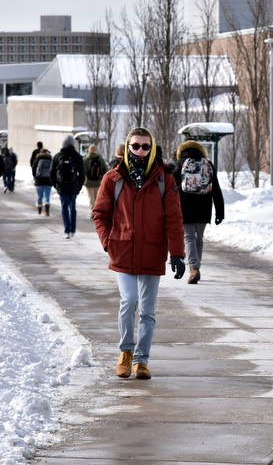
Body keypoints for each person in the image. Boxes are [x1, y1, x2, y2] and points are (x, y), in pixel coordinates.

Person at [92, 127, 185, 380]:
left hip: (153, 252)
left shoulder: (166, 179)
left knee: (147, 310)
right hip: (122, 250)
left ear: (152, 147)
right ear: (128, 147)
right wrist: (107, 242)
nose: (141, 151)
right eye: (136, 146)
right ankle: (125, 352)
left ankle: (142, 361)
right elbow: (100, 214)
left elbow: (175, 219)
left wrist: (177, 253)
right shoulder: (113, 177)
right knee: (129, 301)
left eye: (146, 146)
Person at [171, 140, 225, 284]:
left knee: (188, 237)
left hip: (184, 207)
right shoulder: (208, 164)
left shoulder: (180, 163)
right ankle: (196, 267)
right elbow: (216, 190)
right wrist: (220, 212)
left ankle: (194, 268)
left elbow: (171, 186)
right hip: (204, 208)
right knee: (199, 238)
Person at [50, 135, 85, 239]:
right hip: (74, 186)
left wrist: (56, 186)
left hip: (62, 187)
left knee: (64, 207)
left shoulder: (57, 156)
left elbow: (51, 173)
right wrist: (79, 186)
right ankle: (73, 229)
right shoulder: (77, 156)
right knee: (72, 207)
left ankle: (67, 230)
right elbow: (82, 174)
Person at [83, 144, 108, 218]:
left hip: (88, 182)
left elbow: (82, 170)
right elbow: (105, 169)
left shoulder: (86, 159)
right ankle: (96, 210)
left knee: (91, 197)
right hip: (97, 181)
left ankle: (93, 211)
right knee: (96, 196)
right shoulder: (100, 158)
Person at [32, 148, 53, 215]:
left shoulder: (37, 159)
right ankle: (47, 208)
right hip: (48, 180)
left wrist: (35, 176)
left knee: (39, 196)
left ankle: (39, 208)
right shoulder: (50, 159)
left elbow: (33, 168)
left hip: (39, 180)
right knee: (47, 196)